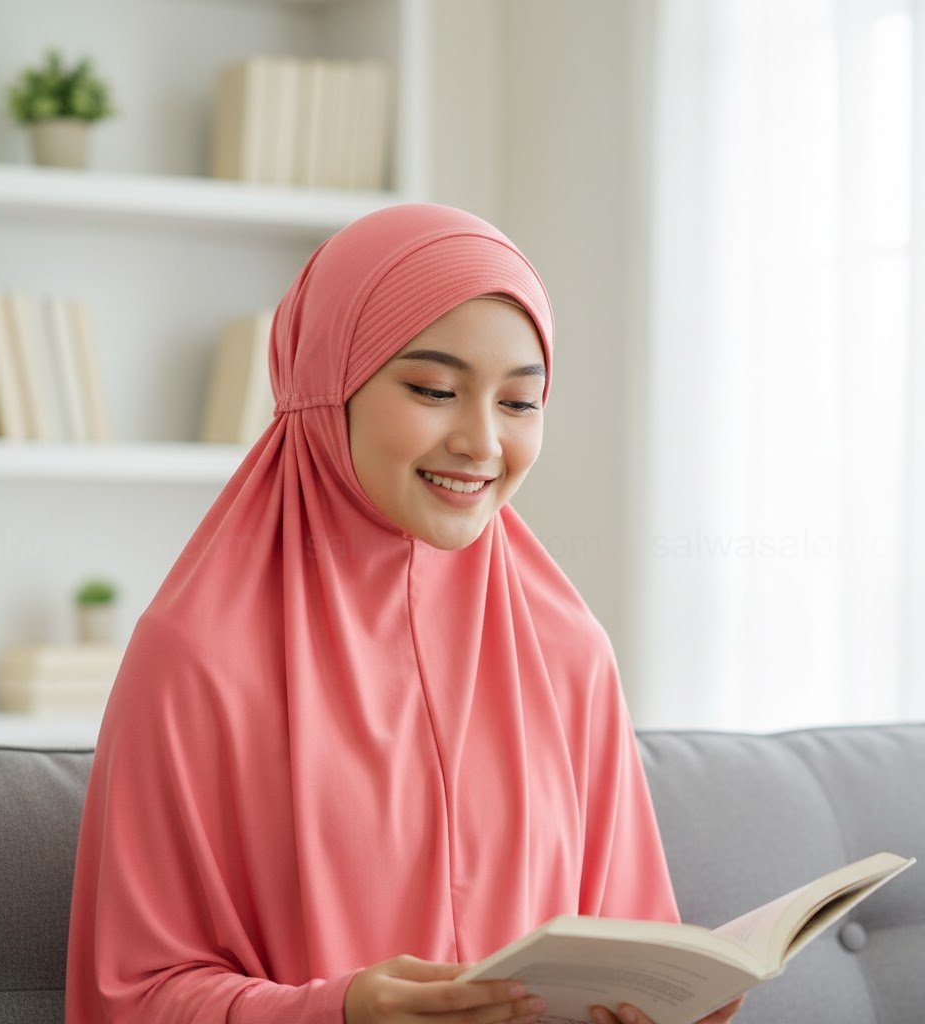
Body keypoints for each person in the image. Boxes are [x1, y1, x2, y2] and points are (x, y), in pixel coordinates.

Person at [64, 203, 742, 1024]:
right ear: (327, 387)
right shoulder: (196, 657)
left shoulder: (568, 650)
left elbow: (637, 941)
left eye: (520, 404)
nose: (482, 443)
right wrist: (336, 1012)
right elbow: (133, 996)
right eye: (434, 390)